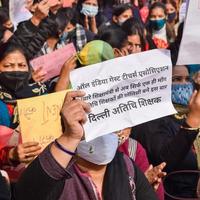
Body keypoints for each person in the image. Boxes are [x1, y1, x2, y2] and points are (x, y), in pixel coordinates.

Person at [13, 90, 158, 200]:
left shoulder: (126, 166)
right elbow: (25, 194)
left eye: (112, 126)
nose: (107, 133)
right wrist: (71, 136)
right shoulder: (58, 172)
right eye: (97, 123)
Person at [131, 65, 200, 199]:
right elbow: (164, 161)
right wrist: (192, 122)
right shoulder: (153, 119)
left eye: (187, 79)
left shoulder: (191, 112)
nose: (184, 84)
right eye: (177, 79)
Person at [0, 43, 47, 181]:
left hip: (38, 175)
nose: (16, 70)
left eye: (21, 65)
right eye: (8, 66)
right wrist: (10, 155)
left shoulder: (40, 93)